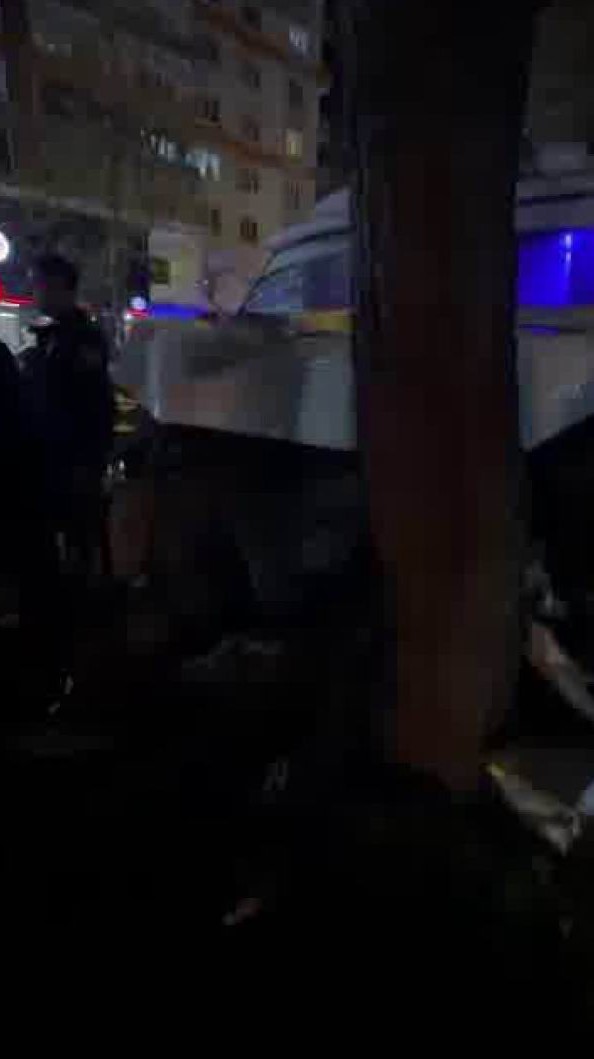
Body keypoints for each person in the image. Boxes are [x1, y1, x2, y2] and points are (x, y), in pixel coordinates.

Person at [19, 253, 114, 708]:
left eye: (39, 284)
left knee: (76, 558)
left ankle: (78, 656)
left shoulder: (81, 339)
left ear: (60, 285)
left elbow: (92, 411)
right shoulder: (51, 338)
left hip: (71, 469)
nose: (35, 292)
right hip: (46, 468)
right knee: (53, 560)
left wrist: (87, 466)